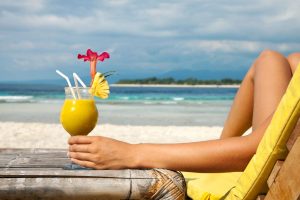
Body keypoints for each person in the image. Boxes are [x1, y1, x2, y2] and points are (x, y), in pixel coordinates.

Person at [67, 50, 300, 172]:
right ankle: (223, 146)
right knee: (273, 59)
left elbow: (258, 151)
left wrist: (131, 154)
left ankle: (225, 153)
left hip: (268, 166)